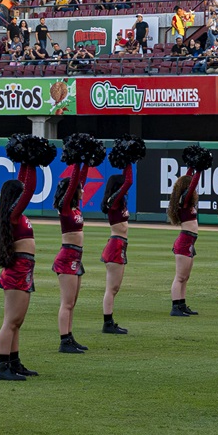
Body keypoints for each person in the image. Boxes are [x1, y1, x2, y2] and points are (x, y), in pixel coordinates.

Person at [0, 135, 51, 381]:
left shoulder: (16, 215)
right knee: (11, 320)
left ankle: (14, 362)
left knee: (17, 321)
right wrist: (31, 163)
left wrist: (26, 163)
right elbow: (29, 190)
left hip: (24, 270)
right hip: (18, 270)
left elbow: (24, 187)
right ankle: (3, 367)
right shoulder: (13, 215)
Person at [53, 135, 104, 354]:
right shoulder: (65, 209)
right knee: (67, 302)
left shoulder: (75, 208)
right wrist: (76, 160)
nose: (83, 189)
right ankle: (64, 340)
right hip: (67, 257)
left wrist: (85, 161)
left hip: (77, 258)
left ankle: (70, 337)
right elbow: (75, 181)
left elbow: (79, 180)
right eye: (79, 189)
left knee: (72, 302)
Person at [100, 136, 140, 336]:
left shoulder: (118, 202)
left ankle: (109, 321)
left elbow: (127, 183)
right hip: (115, 245)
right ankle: (107, 323)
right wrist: (129, 160)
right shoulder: (114, 201)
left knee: (114, 287)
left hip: (119, 245)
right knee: (112, 287)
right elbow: (129, 181)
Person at [168, 147, 211, 316]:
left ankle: (182, 304)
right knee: (180, 276)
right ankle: (175, 307)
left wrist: (192, 166)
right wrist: (198, 170)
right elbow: (192, 184)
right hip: (185, 241)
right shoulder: (184, 202)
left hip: (190, 242)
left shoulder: (188, 203)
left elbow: (188, 180)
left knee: (185, 277)